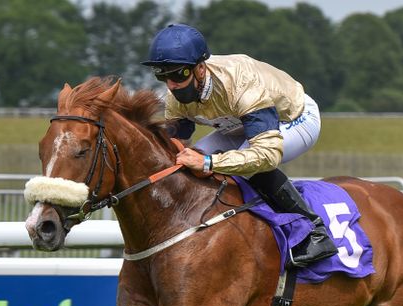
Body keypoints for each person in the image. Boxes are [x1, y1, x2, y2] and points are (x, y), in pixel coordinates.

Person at [142, 23, 338, 267]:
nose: (171, 84)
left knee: (245, 163)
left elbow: (266, 155)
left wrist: (207, 162)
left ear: (200, 69)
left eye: (178, 74)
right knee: (188, 160)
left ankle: (315, 231)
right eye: (163, 75)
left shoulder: (241, 82)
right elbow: (176, 145)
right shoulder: (176, 96)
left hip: (293, 118)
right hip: (241, 122)